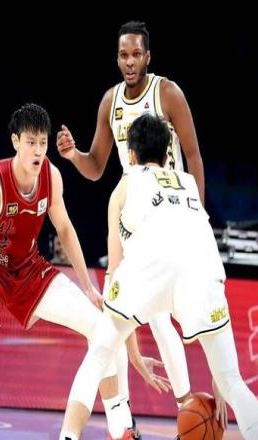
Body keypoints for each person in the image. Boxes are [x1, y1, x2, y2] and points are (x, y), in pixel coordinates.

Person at [0, 103, 166, 440]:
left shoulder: (51, 177)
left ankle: (120, 428)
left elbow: (65, 229)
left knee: (101, 327)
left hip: (28, 268)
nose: (38, 151)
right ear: (15, 142)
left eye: (42, 142)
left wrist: (88, 287)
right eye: (31, 142)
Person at [57, 20, 202, 436]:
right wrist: (73, 155)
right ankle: (129, 418)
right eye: (124, 55)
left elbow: (193, 155)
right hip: (131, 212)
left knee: (156, 318)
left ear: (148, 56)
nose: (130, 61)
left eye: (137, 54)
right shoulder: (110, 101)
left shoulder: (167, 93)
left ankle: (182, 404)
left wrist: (198, 215)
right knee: (121, 318)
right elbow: (96, 166)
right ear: (117, 58)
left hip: (169, 212)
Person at [99, 113, 258, 440]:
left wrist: (135, 356)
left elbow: (116, 287)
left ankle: (138, 414)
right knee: (231, 380)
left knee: (125, 331)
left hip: (160, 274)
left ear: (131, 154)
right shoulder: (181, 186)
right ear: (167, 153)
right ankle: (133, 417)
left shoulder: (132, 190)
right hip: (195, 276)